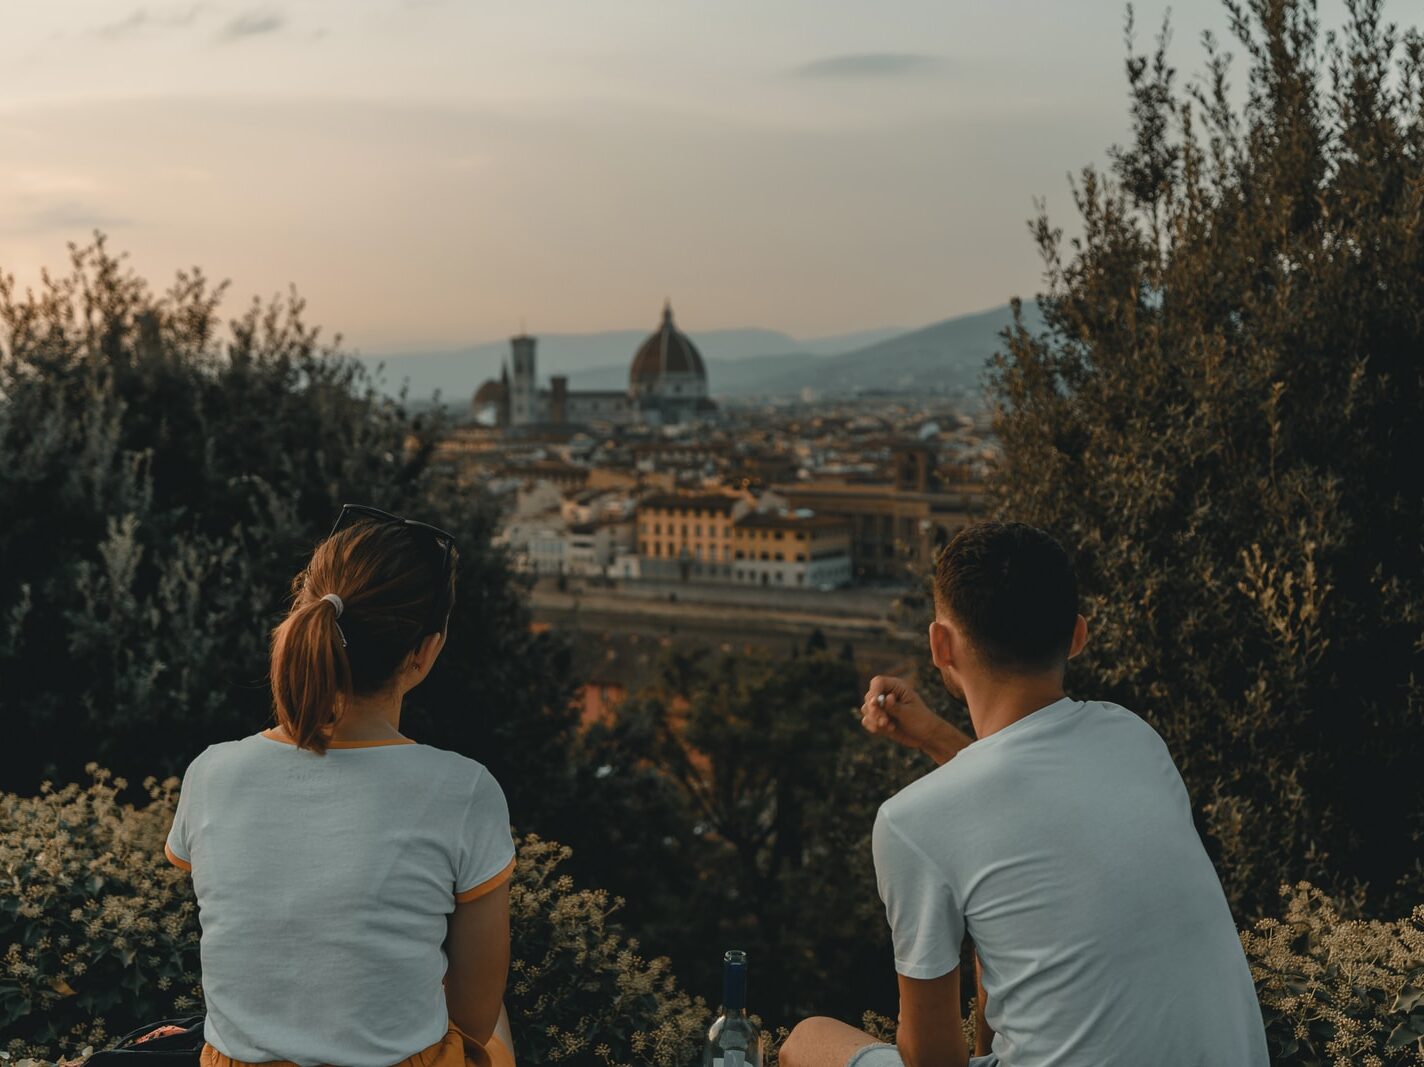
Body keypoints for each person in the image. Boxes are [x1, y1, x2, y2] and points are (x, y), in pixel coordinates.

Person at [780, 522, 1268, 1067]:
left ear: (940, 644)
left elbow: (932, 1062)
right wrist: (937, 738)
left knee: (807, 1040)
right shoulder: (1134, 737)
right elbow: (1026, 818)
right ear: (1078, 635)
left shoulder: (910, 821)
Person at [163, 505, 517, 1067]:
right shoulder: (464, 791)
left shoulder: (211, 773)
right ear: (424, 651)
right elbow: (471, 1017)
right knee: (495, 1032)